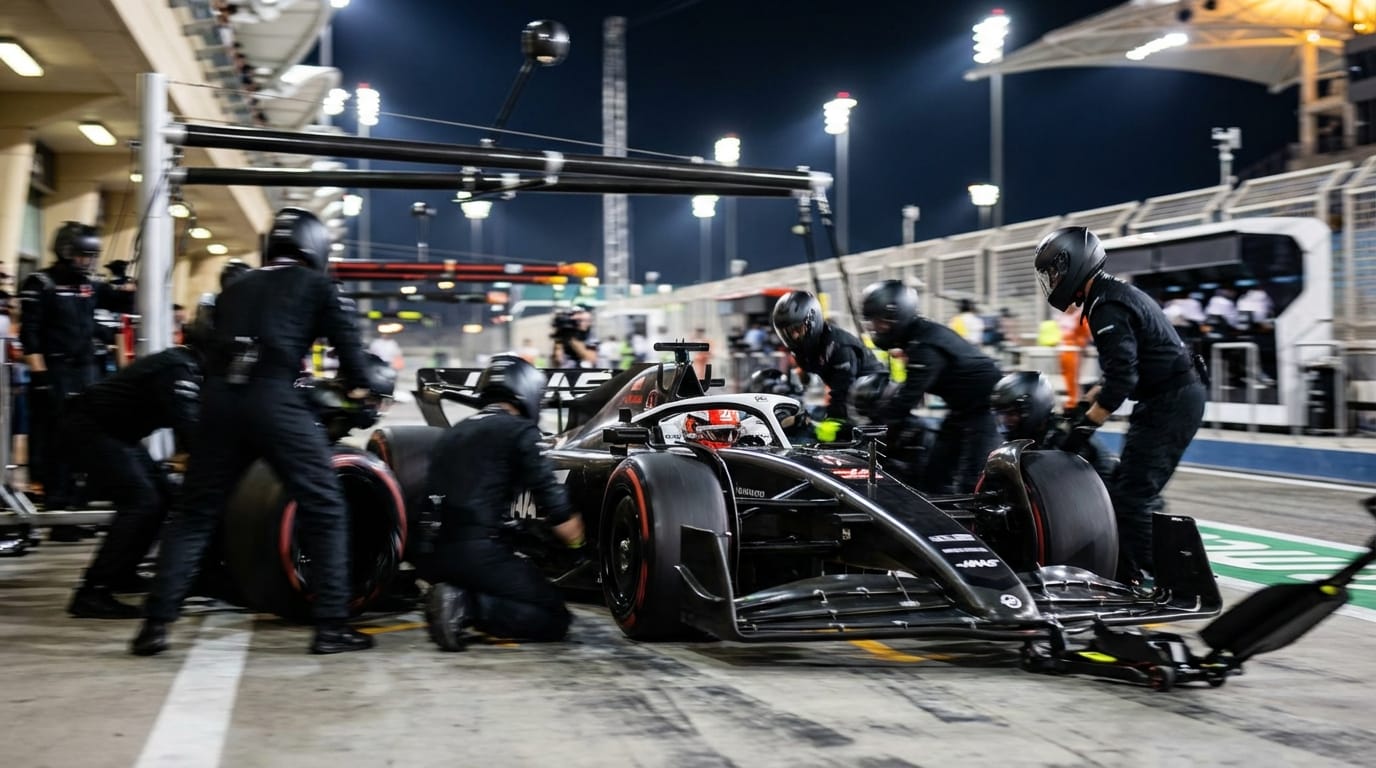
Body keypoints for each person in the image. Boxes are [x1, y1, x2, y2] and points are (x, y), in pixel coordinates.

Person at [132, 207, 385, 656]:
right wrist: (364, 395)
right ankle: (331, 627)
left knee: (195, 513)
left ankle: (155, 623)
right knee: (325, 504)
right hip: (273, 396)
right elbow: (354, 362)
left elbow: (208, 344)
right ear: (317, 248)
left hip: (218, 400)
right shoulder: (319, 285)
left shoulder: (235, 287)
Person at [1033, 226, 1207, 582]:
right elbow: (1121, 368)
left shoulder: (1105, 304)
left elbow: (1122, 380)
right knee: (1129, 491)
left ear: (1073, 264)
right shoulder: (1108, 295)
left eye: (1055, 270)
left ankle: (1173, 580)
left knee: (1132, 500)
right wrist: (1083, 405)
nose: (1053, 279)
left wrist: (1086, 425)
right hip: (1166, 397)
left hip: (1171, 400)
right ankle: (1129, 575)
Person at [421, 355, 585, 650]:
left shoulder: (452, 433)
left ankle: (455, 592)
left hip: (437, 554)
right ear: (527, 392)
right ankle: (466, 605)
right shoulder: (519, 431)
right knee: (553, 616)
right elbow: (547, 490)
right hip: (480, 552)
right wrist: (572, 531)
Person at [64, 342, 203, 619]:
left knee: (162, 498)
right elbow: (190, 428)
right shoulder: (179, 369)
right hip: (91, 427)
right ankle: (92, 592)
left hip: (115, 433)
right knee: (141, 502)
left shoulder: (190, 366)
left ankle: (123, 574)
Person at [859, 280, 1001, 494]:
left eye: (881, 322)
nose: (877, 329)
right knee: (933, 475)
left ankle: (972, 526)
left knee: (971, 483)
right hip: (962, 409)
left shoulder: (925, 346)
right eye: (873, 323)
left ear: (897, 315)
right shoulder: (919, 336)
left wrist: (871, 430)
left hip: (985, 411)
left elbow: (906, 399)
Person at [20, 222, 117, 516]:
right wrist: (40, 377)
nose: (87, 262)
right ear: (66, 253)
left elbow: (115, 302)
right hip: (55, 371)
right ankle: (57, 500)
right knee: (55, 437)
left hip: (87, 370)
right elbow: (30, 335)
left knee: (86, 436)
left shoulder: (89, 286)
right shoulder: (41, 283)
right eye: (82, 256)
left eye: (91, 256)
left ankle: (79, 499)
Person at [771, 290, 884, 443]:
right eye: (788, 333)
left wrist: (828, 428)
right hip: (849, 399)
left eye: (797, 329)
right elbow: (799, 382)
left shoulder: (839, 347)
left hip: (872, 403)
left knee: (810, 438)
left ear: (812, 322)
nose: (794, 337)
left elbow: (842, 392)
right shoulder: (805, 349)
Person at [989, 371, 1116, 482]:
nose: (1005, 420)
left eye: (1011, 413)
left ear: (1036, 407)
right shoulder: (1024, 441)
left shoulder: (1065, 440)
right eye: (1001, 415)